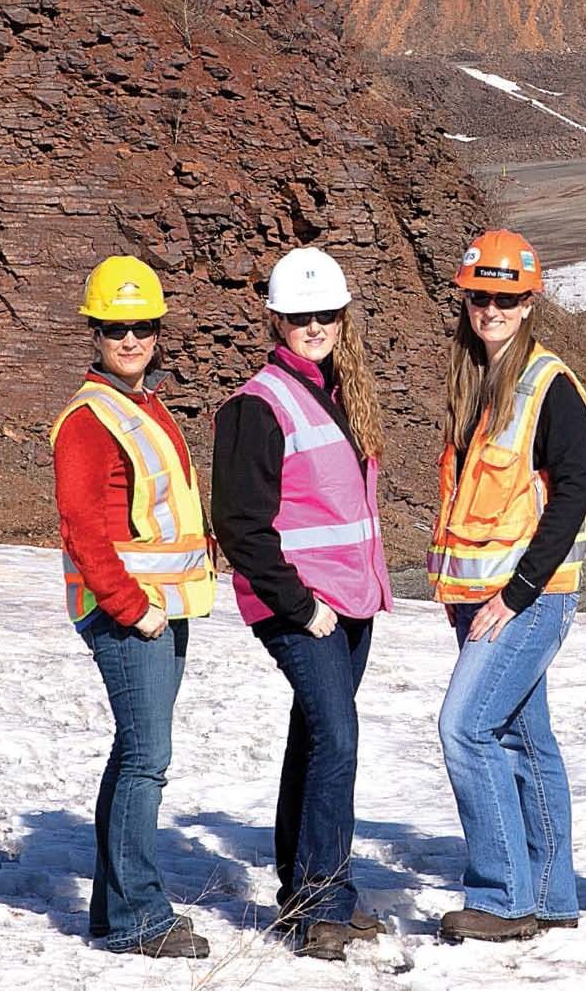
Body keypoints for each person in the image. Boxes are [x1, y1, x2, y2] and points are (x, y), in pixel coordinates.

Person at [211, 246, 392, 963]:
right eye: (299, 316)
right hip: (304, 607)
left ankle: (304, 890)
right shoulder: (259, 404)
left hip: (352, 599)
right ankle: (324, 900)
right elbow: (239, 522)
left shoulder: (343, 392)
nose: (313, 325)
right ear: (276, 320)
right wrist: (297, 604)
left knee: (317, 737)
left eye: (325, 314)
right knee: (338, 737)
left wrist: (359, 595)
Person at [429, 230, 586, 944]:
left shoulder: (549, 383)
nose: (490, 309)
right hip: (480, 597)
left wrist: (515, 596)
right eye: (480, 296)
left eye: (506, 298)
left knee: (465, 729)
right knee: (527, 743)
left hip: (526, 597)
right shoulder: (476, 379)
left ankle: (501, 897)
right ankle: (552, 896)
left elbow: (574, 495)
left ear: (529, 304)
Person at [51, 256, 216, 959]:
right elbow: (82, 528)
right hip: (129, 613)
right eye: (117, 326)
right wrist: (131, 607)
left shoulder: (145, 407)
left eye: (142, 325)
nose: (131, 338)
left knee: (134, 755)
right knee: (148, 758)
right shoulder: (90, 419)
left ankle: (113, 910)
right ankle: (139, 918)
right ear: (94, 331)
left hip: (160, 609)